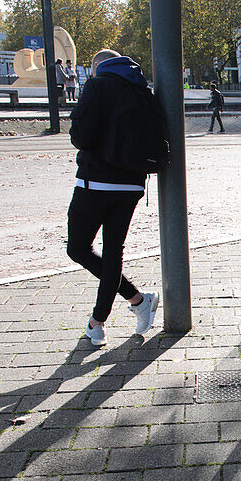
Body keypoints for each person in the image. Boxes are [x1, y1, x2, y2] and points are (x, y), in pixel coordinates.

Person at [67, 51, 160, 346]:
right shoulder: (142, 90)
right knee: (112, 253)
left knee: (78, 248)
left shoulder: (98, 85)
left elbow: (80, 136)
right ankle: (122, 310)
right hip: (131, 185)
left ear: (96, 66)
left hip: (95, 182)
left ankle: (108, 317)